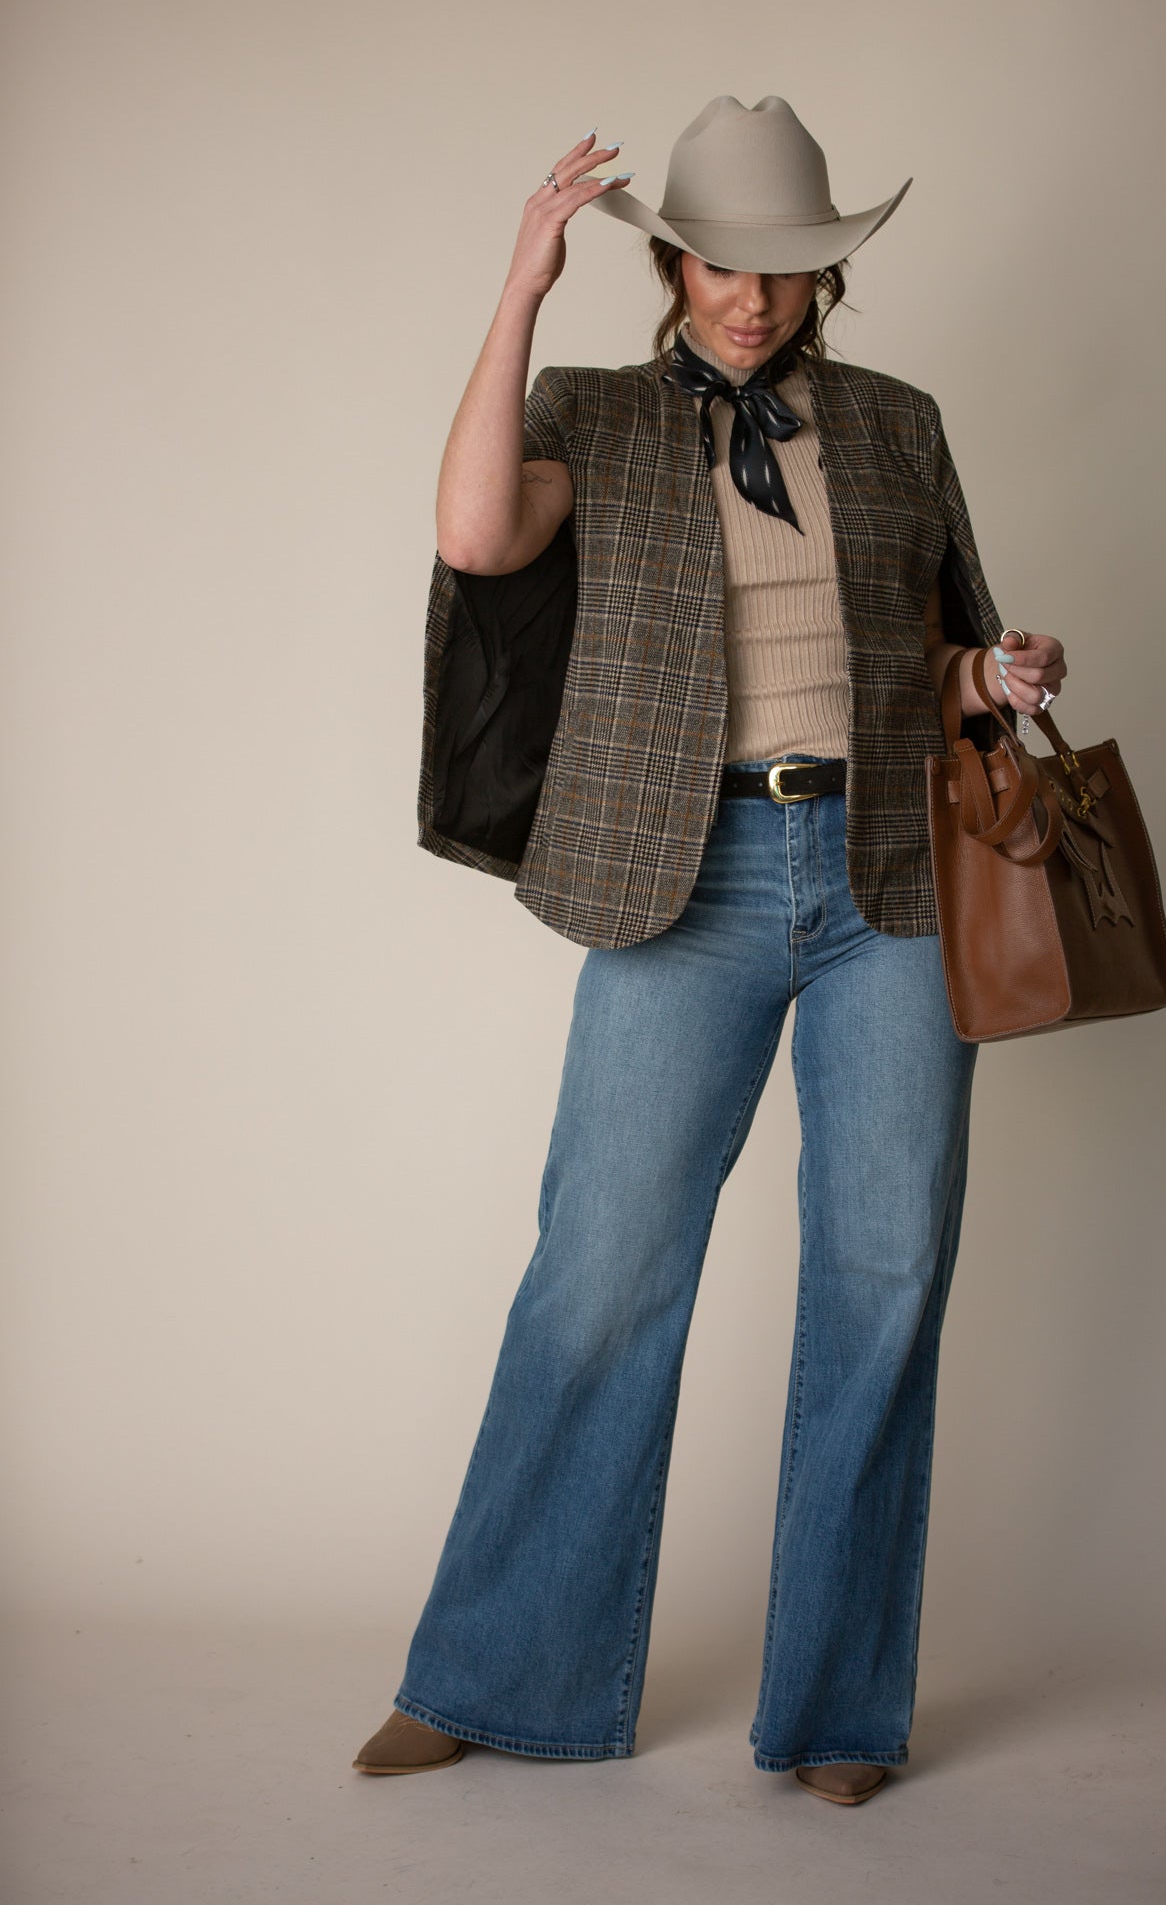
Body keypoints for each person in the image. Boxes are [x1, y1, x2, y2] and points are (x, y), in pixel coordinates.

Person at [354, 96, 1067, 1807]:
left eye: (786, 265)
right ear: (668, 259)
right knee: (600, 1274)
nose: (749, 294)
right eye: (718, 259)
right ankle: (499, 1674)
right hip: (690, 878)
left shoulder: (898, 427)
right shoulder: (592, 416)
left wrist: (994, 678)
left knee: (883, 1284)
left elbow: (928, 652)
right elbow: (473, 539)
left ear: (827, 274)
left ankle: (834, 1712)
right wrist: (519, 286)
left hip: (890, 870)